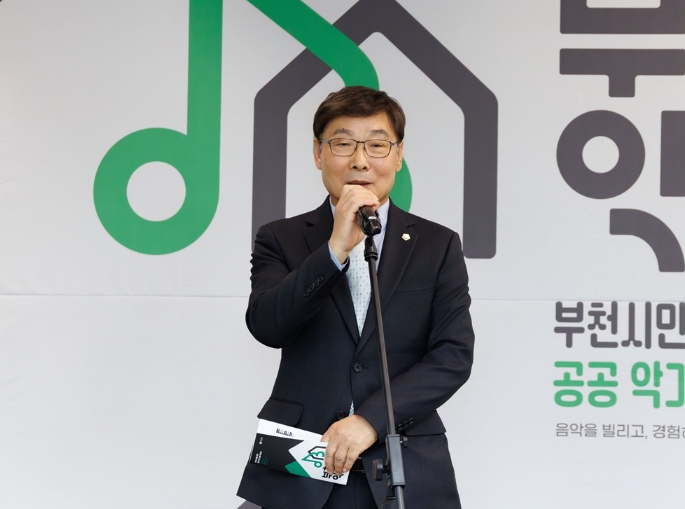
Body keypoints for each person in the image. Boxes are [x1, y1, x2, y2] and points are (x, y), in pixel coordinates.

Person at [237, 86, 474, 509]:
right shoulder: (280, 237)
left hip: (404, 465)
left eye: (377, 145)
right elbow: (268, 326)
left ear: (398, 156)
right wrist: (333, 251)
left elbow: (452, 356)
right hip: (300, 465)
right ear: (318, 153)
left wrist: (370, 419)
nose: (360, 160)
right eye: (343, 144)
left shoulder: (437, 245)